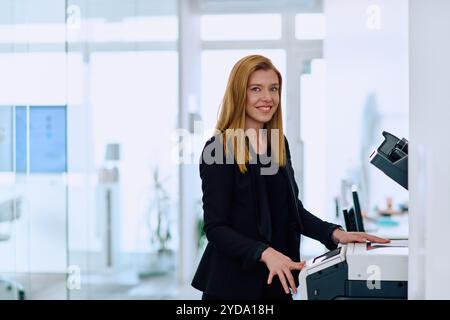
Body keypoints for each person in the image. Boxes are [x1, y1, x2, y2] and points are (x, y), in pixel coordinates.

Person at [191, 55, 389, 300]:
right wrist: (264, 252)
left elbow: (292, 211)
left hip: (277, 282)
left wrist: (335, 234)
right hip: (234, 288)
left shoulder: (277, 144)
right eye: (256, 89)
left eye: (273, 89)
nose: (268, 98)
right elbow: (216, 228)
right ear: (239, 94)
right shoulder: (219, 149)